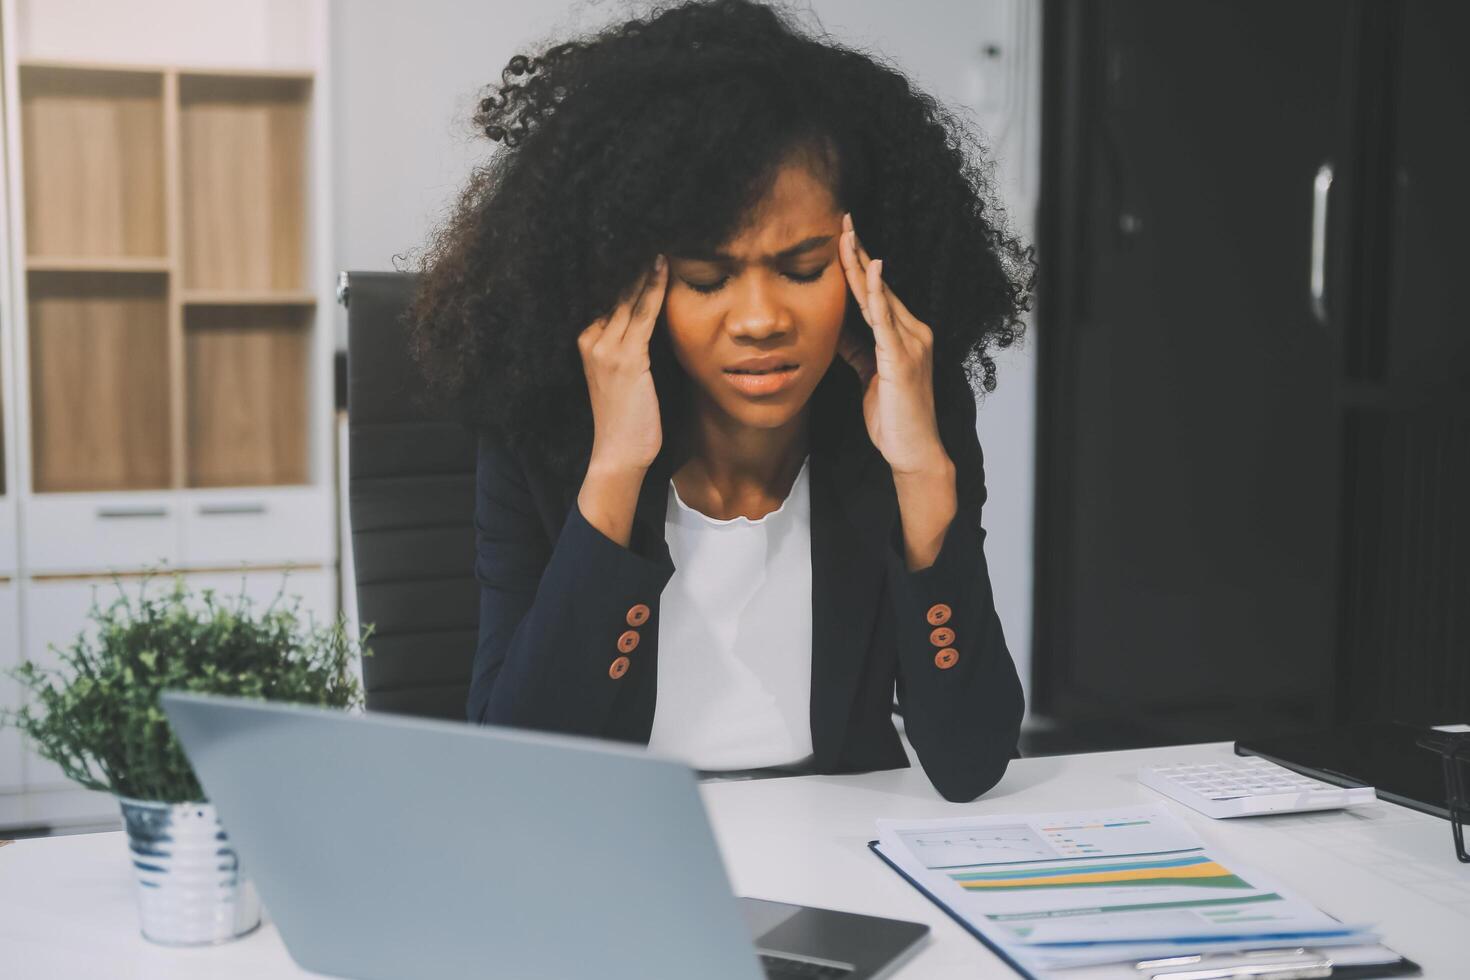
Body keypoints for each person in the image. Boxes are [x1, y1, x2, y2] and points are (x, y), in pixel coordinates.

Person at [406, 0, 1034, 802]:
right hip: (626, 865)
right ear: (634, 279)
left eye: (804, 269)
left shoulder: (904, 418)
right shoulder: (547, 433)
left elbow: (972, 758)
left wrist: (924, 479)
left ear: (862, 260)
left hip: (835, 867)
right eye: (707, 279)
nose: (761, 321)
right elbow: (515, 774)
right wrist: (612, 477)